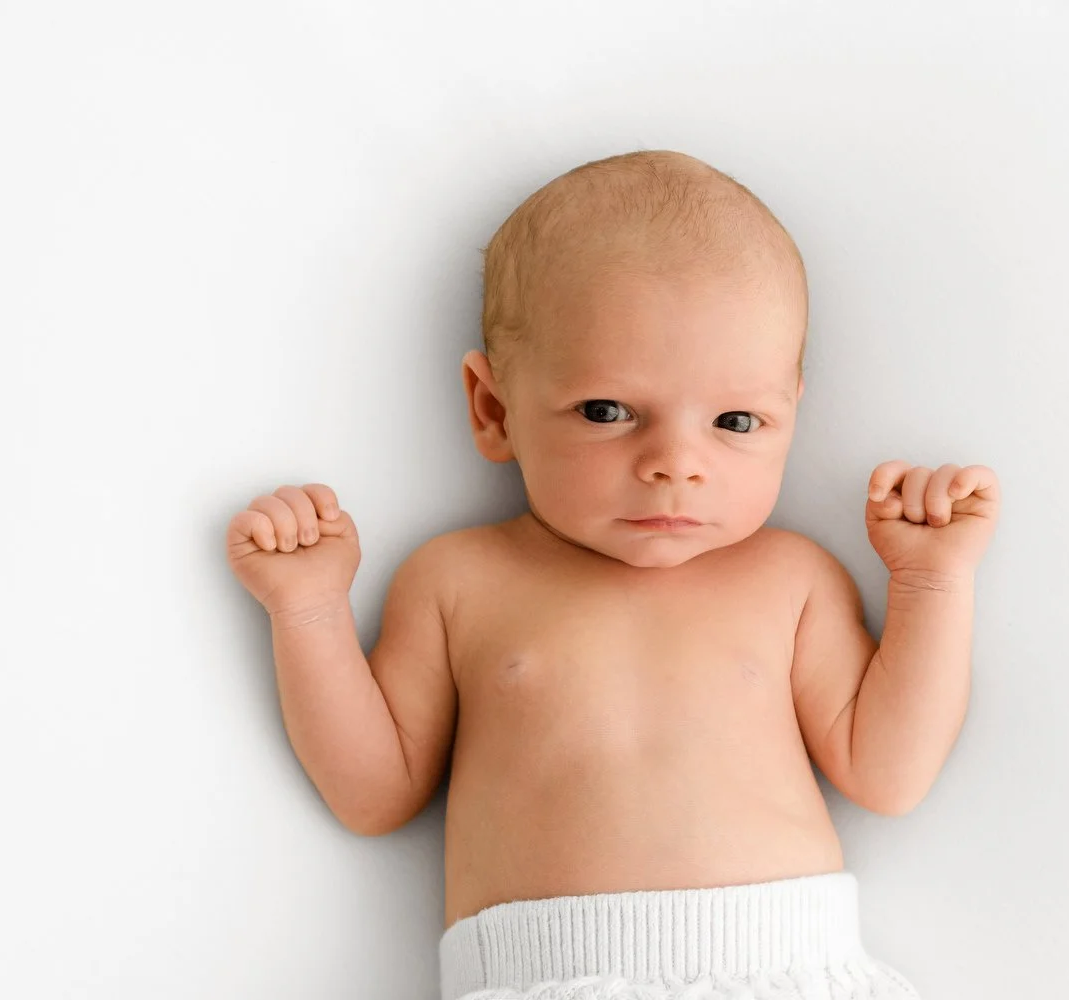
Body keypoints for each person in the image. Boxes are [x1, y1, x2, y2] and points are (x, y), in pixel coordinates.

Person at [225, 149, 1001, 998]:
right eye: (608, 412)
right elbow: (373, 794)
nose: (675, 463)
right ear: (494, 409)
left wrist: (931, 584)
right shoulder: (460, 580)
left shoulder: (790, 579)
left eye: (735, 420)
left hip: (783, 968)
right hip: (544, 976)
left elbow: (888, 774)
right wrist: (307, 610)